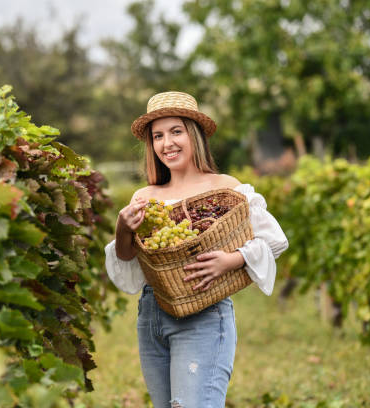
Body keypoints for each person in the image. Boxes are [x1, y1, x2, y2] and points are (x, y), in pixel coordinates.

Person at [104, 91, 289, 408]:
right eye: (158, 136)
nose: (167, 143)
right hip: (152, 315)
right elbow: (126, 259)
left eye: (176, 131)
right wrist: (122, 229)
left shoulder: (224, 188)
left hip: (205, 315)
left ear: (195, 135)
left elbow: (274, 240)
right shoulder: (145, 196)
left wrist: (230, 260)